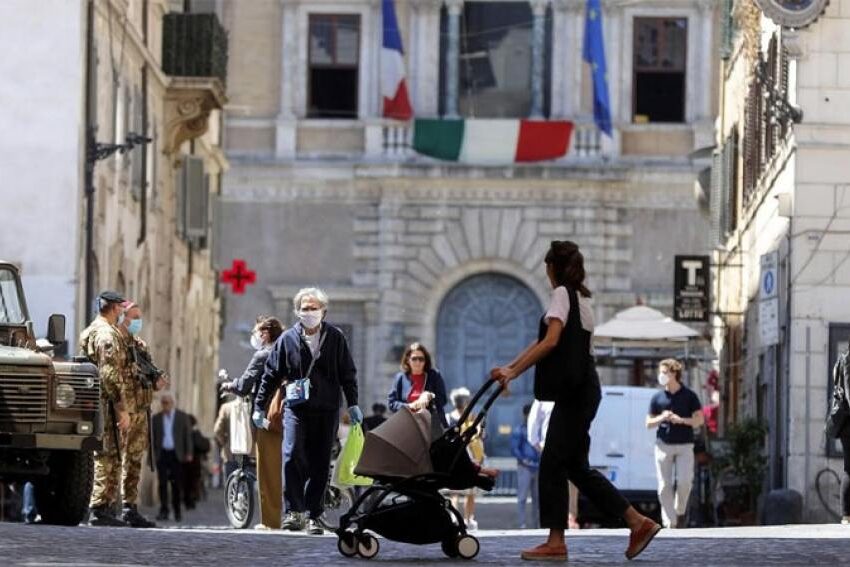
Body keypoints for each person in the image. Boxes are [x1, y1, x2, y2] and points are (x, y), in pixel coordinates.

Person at [491, 240, 661, 561]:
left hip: (575, 392)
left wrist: (512, 372)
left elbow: (551, 341)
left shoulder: (561, 294)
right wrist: (510, 367)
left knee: (553, 462)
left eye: (547, 267)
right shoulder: (581, 299)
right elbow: (542, 340)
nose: (547, 274)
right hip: (586, 388)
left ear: (553, 267)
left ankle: (556, 542)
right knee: (576, 467)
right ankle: (637, 521)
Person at [252, 287, 361, 535]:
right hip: (296, 408)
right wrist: (259, 406)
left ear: (323, 311)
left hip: (327, 409)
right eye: (304, 308)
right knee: (291, 455)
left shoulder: (335, 337)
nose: (309, 312)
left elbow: (348, 373)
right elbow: (270, 375)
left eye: (313, 308)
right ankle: (294, 511)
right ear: (297, 311)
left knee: (320, 461)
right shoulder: (287, 339)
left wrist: (353, 403)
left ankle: (314, 514)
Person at [220, 315, 285, 529]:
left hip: (268, 414)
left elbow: (245, 384)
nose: (254, 337)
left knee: (267, 468)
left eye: (256, 332)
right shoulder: (287, 350)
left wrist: (230, 385)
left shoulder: (263, 354)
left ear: (265, 334)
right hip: (289, 414)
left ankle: (270, 521)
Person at [79, 290, 135, 527]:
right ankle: (100, 508)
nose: (123, 312)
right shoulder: (106, 334)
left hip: (95, 400)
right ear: (113, 308)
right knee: (107, 454)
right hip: (106, 403)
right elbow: (110, 375)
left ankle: (104, 507)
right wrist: (122, 409)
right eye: (121, 308)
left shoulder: (90, 330)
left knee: (106, 454)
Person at [118, 301, 168, 528]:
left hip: (140, 410)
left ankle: (130, 507)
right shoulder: (113, 343)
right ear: (121, 317)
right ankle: (107, 506)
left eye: (139, 317)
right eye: (133, 317)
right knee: (112, 460)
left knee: (134, 461)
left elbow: (151, 373)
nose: (137, 321)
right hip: (121, 411)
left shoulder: (140, 345)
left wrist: (157, 381)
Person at [647, 358, 704, 529]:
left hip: (685, 445)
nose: (661, 376)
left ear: (674, 374)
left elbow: (699, 420)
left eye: (665, 372)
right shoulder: (657, 398)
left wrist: (681, 420)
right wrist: (662, 417)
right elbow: (648, 423)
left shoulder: (689, 396)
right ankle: (669, 521)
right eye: (661, 372)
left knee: (685, 481)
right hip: (663, 445)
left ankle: (679, 511)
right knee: (664, 485)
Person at [528, 399, 581, 530]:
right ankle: (556, 520)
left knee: (571, 483)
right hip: (551, 446)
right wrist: (537, 444)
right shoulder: (543, 397)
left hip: (570, 445)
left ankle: (570, 516)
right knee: (553, 483)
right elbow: (533, 422)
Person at [445, 387, 486, 531]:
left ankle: (457, 517)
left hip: (459, 456)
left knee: (457, 491)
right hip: (469, 457)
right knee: (467, 491)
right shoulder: (469, 418)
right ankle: (467, 518)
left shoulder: (451, 417)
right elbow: (480, 437)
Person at [152, 393, 193, 522]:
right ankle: (164, 510)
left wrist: (189, 452)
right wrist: (152, 456)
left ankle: (177, 512)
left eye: (167, 402)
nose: (165, 405)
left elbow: (187, 436)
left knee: (176, 485)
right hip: (162, 454)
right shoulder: (156, 419)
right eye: (163, 403)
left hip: (177, 454)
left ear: (172, 403)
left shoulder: (181, 417)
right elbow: (152, 439)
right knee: (162, 483)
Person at [387, 342, 448, 427]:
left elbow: (443, 399)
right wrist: (410, 406)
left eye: (421, 359)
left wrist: (429, 395)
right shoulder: (400, 378)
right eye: (414, 359)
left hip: (431, 426)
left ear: (425, 361)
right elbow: (392, 403)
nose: (418, 362)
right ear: (408, 360)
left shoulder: (434, 375)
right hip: (408, 426)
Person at [512, 403, 540, 529]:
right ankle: (522, 523)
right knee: (522, 497)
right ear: (525, 415)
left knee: (537, 498)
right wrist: (524, 460)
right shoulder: (519, 429)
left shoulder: (538, 429)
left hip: (538, 467)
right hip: (525, 467)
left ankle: (537, 524)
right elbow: (514, 448)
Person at [832, 341, 850, 525]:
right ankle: (846, 514)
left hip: (846, 424)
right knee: (849, 468)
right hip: (849, 425)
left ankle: (847, 514)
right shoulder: (848, 360)